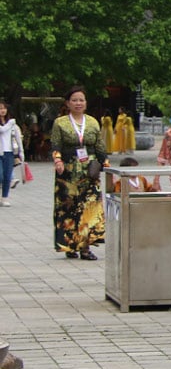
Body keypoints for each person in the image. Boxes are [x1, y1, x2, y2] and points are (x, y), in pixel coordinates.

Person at [51, 86, 107, 260]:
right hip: (68, 170)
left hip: (88, 170)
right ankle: (70, 245)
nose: (78, 103)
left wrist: (104, 161)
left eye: (81, 100)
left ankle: (85, 247)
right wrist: (58, 160)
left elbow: (99, 144)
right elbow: (55, 145)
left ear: (86, 103)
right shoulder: (60, 122)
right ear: (68, 103)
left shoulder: (92, 122)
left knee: (89, 207)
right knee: (68, 208)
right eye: (74, 100)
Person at [0, 100, 24, 206]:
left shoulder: (13, 124)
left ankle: (4, 198)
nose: (2, 111)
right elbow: (2, 130)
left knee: (7, 176)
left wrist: (21, 152)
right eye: (0, 108)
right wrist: (10, 124)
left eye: (4, 108)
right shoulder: (11, 123)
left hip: (9, 153)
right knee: (0, 175)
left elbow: (18, 138)